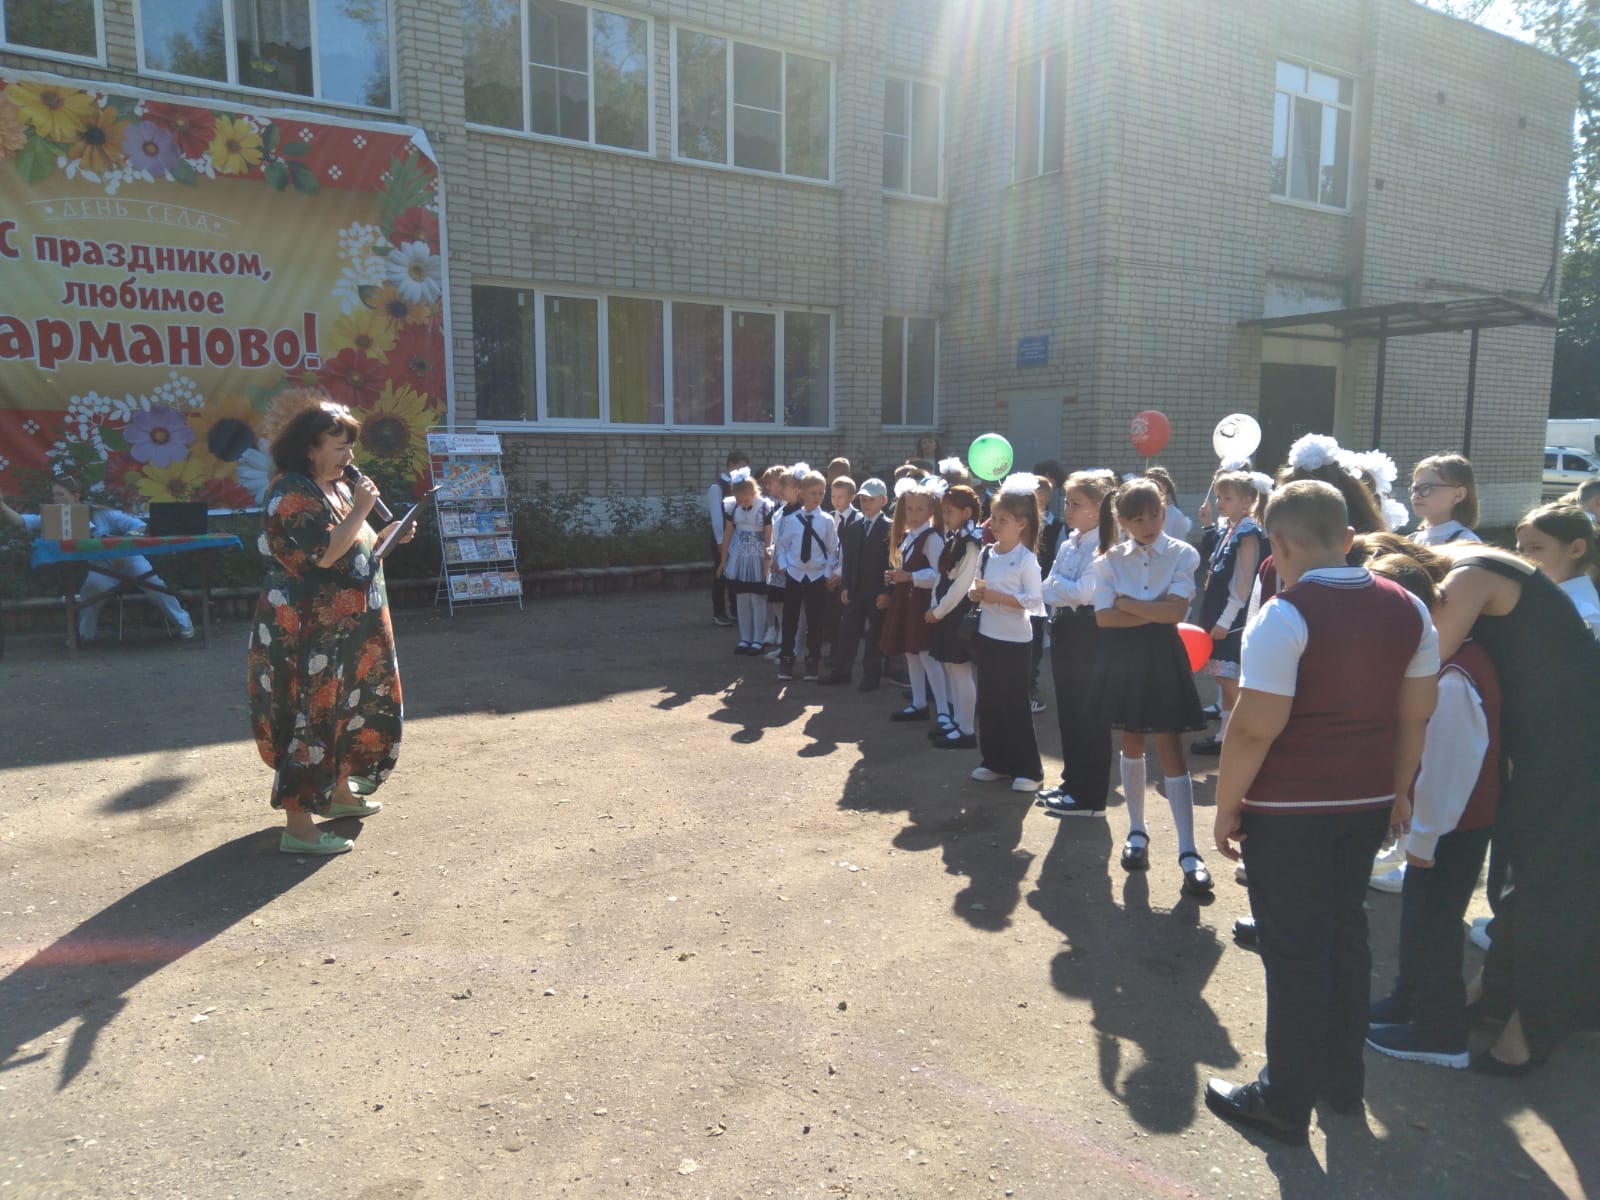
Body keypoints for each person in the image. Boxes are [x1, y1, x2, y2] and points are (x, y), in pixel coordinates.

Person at [1206, 481, 1438, 1144]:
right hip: (1366, 800)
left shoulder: (1284, 614)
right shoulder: (1411, 607)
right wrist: (1400, 790)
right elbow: (1415, 715)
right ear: (1349, 538)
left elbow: (1255, 727)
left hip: (1290, 808)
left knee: (1294, 951)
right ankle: (1341, 1081)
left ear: (1277, 546)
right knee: (1344, 935)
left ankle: (1285, 1098)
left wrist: (1226, 806)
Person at [1428, 541, 1600, 1073]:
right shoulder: (1481, 567)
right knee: (1519, 878)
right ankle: (1494, 994)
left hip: (1577, 745)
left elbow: (1426, 659)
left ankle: (1529, 1032)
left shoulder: (1470, 576)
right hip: (1545, 745)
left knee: (1555, 887)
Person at [247, 393, 416, 856]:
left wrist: (386, 536)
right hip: (307, 634)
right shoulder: (291, 493)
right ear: (309, 448)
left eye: (350, 447)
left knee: (347, 710)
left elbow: (352, 546)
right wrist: (361, 510)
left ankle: (340, 794)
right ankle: (298, 828)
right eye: (339, 447)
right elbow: (322, 554)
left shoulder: (339, 488)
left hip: (351, 632)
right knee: (310, 716)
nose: (349, 456)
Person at [1359, 547, 1500, 1071]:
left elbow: (1450, 770)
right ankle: (1408, 999)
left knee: (1437, 927)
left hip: (1453, 828)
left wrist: (1423, 838)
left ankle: (1442, 1033)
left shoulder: (1454, 674)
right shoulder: (1439, 661)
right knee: (1420, 920)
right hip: (1443, 826)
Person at [1091, 478, 1212, 894]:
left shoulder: (1182, 553)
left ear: (1164, 511)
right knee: (1131, 740)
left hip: (1163, 655)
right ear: (1122, 521)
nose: (1148, 526)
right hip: (1123, 657)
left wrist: (1126, 604)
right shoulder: (1108, 560)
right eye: (1138, 519)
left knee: (1170, 745)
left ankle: (1188, 850)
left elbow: (1176, 612)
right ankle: (1137, 832)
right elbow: (1103, 618)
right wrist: (1151, 610)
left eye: (1155, 516)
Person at [1, 476, 196, 642]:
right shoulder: (55, 517)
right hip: (101, 567)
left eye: (60, 494)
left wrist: (121, 547)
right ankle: (83, 636)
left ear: (75, 495)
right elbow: (21, 521)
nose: (55, 498)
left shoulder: (102, 513)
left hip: (130, 559)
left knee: (155, 586)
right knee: (92, 590)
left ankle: (184, 624)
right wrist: (1, 505)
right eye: (54, 495)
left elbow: (139, 526)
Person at [1038, 469, 1116, 816]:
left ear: (1097, 508)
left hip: (1090, 633)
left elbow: (1085, 593)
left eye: (1076, 504)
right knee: (1070, 711)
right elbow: (1046, 587)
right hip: (1066, 629)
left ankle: (1090, 797)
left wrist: (1059, 589)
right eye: (1067, 502)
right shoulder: (1071, 542)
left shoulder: (1104, 546)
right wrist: (1060, 590)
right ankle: (1072, 783)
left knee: (1089, 714)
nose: (1067, 509)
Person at [967, 474, 1047, 791]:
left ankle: (1029, 769)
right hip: (987, 636)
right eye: (994, 517)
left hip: (1015, 641)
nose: (995, 524)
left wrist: (997, 597)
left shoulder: (1027, 559)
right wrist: (976, 594)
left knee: (1014, 704)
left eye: (1004, 520)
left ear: (1022, 524)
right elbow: (975, 586)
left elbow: (1035, 601)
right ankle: (995, 761)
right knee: (989, 701)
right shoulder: (987, 552)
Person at [1190, 471, 1267, 757]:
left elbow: (1243, 583)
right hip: (1220, 611)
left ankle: (1244, 736)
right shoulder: (1232, 528)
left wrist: (1225, 621)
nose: (1220, 503)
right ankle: (1225, 734)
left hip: (1233, 616)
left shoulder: (1248, 532)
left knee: (1229, 678)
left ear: (1247, 501)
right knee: (1223, 678)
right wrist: (1208, 523)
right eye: (1219, 497)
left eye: (1227, 498)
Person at [879, 479, 947, 721]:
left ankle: (943, 710)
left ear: (931, 511)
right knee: (911, 653)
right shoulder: (908, 536)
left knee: (927, 656)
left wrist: (908, 576)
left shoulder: (932, 538)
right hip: (906, 602)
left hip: (922, 603)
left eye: (920, 509)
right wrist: (896, 576)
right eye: (909, 509)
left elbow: (939, 575)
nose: (914, 514)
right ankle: (919, 703)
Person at [926, 485, 985, 749]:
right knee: (950, 668)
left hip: (957, 614)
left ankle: (967, 729)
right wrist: (934, 605)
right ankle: (957, 722)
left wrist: (938, 611)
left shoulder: (972, 544)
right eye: (944, 511)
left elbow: (961, 587)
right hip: (945, 613)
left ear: (967, 512)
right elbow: (941, 578)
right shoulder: (954, 539)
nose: (945, 516)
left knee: (961, 671)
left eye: (950, 511)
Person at [820, 478, 891, 688]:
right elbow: (849, 560)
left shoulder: (890, 528)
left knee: (874, 634)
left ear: (884, 501)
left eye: (871, 499)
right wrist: (845, 586)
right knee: (848, 631)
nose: (866, 503)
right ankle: (842, 671)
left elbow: (892, 563)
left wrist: (887, 591)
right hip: (855, 589)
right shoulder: (854, 526)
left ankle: (871, 676)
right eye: (863, 499)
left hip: (876, 590)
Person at [773, 469, 840, 682]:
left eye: (821, 493)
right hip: (794, 575)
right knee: (790, 620)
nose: (818, 497)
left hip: (816, 576)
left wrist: (827, 572)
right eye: (813, 493)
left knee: (815, 621)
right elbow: (781, 546)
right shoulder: (791, 519)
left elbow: (833, 549)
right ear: (800, 492)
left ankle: (812, 661)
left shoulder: (827, 520)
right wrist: (784, 565)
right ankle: (787, 659)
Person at [1514, 502, 1600, 638]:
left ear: (1576, 549)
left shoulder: (1582, 611)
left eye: (1536, 548)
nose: (1523, 558)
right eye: (1521, 550)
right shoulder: (1545, 595)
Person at [717, 469, 773, 655]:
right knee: (741, 598)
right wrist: (723, 561)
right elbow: (728, 533)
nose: (743, 503)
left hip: (758, 558)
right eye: (739, 500)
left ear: (754, 493)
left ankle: (758, 639)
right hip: (739, 557)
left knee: (758, 598)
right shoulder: (732, 507)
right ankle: (745, 638)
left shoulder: (765, 507)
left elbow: (769, 537)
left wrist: (767, 563)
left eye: (746, 500)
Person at [1027, 470, 1062, 714]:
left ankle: (1030, 684)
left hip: (1038, 592)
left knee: (1035, 639)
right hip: (1015, 589)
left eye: (1041, 499)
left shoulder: (1055, 526)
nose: (1038, 503)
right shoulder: (1018, 521)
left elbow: (1056, 559)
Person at [706, 451, 748, 627]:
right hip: (722, 538)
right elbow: (717, 516)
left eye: (745, 467)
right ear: (730, 465)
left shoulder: (740, 487)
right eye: (739, 466)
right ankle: (719, 612)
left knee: (735, 575)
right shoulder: (717, 487)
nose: (742, 471)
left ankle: (736, 611)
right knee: (721, 574)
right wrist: (720, 541)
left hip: (737, 537)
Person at [1408, 453, 1481, 546]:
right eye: (1415, 489)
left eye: (1426, 488)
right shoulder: (1413, 540)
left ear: (1458, 495)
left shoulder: (1465, 542)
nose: (1416, 495)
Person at [1146, 466, 1191, 541]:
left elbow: (1178, 545)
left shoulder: (1176, 516)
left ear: (1165, 487)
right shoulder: (1142, 514)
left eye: (1156, 486)